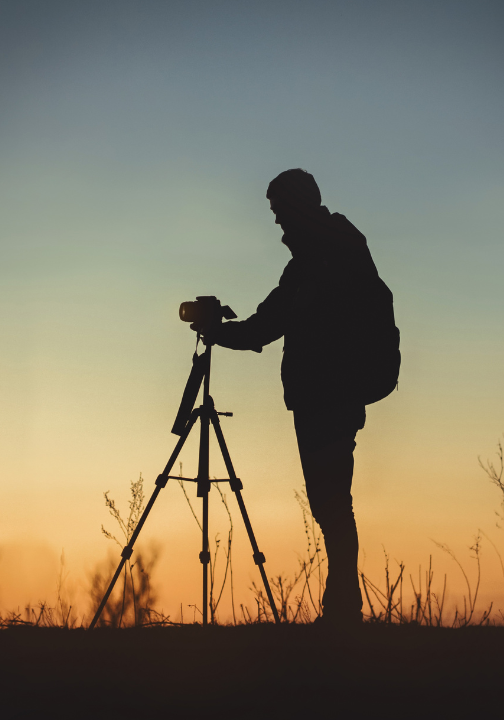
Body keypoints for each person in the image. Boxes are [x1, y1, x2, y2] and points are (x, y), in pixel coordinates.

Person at [203, 169, 398, 627]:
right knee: (331, 503)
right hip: (326, 394)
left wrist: (221, 335)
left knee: (332, 503)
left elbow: (269, 325)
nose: (277, 224)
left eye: (278, 212)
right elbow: (268, 323)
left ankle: (343, 611)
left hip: (331, 395)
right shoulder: (327, 252)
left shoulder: (324, 257)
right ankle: (342, 608)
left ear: (296, 207)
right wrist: (226, 334)